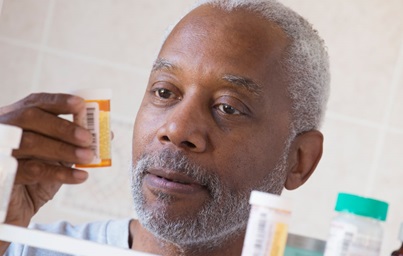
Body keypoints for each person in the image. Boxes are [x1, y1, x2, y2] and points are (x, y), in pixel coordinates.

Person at [0, 0, 330, 255]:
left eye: (228, 107)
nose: (177, 129)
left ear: (299, 160)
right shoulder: (22, 246)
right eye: (164, 92)